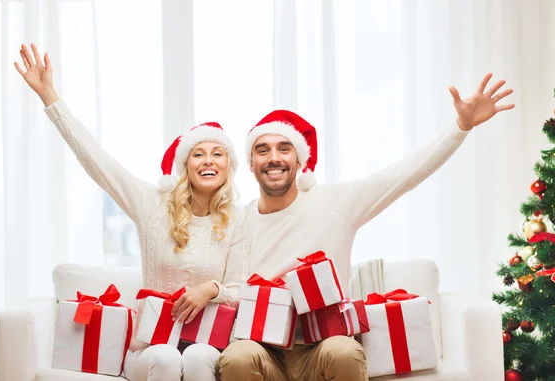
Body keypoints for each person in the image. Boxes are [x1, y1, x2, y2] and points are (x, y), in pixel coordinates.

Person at [219, 73, 515, 381]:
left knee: (343, 351)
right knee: (237, 357)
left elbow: (402, 175)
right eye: (262, 150)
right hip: (264, 351)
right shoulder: (238, 220)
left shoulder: (334, 204)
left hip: (322, 347)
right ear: (251, 164)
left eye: (284, 148)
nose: (274, 158)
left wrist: (460, 127)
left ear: (299, 160)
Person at [14, 43, 249, 381]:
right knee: (167, 358)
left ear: (228, 167)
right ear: (185, 166)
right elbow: (96, 161)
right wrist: (49, 95)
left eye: (218, 153)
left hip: (206, 343)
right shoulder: (152, 205)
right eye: (198, 154)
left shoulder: (235, 219)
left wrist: (211, 288)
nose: (209, 160)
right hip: (150, 349)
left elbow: (240, 290)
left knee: (198, 357)